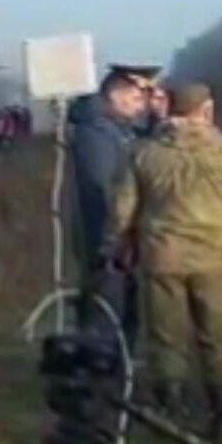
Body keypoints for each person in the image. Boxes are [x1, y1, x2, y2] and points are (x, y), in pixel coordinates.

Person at [109, 82, 222, 440]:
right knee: (220, 341)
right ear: (208, 109)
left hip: (162, 256)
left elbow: (123, 211)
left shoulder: (144, 152)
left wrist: (118, 248)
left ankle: (170, 411)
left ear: (169, 109)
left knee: (167, 340)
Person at [67, 69, 149, 332]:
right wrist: (113, 236)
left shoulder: (119, 130)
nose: (141, 106)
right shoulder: (97, 132)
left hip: (116, 234)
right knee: (106, 309)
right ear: (115, 95)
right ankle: (101, 360)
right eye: (136, 98)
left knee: (123, 306)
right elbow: (101, 185)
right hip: (103, 235)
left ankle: (115, 358)